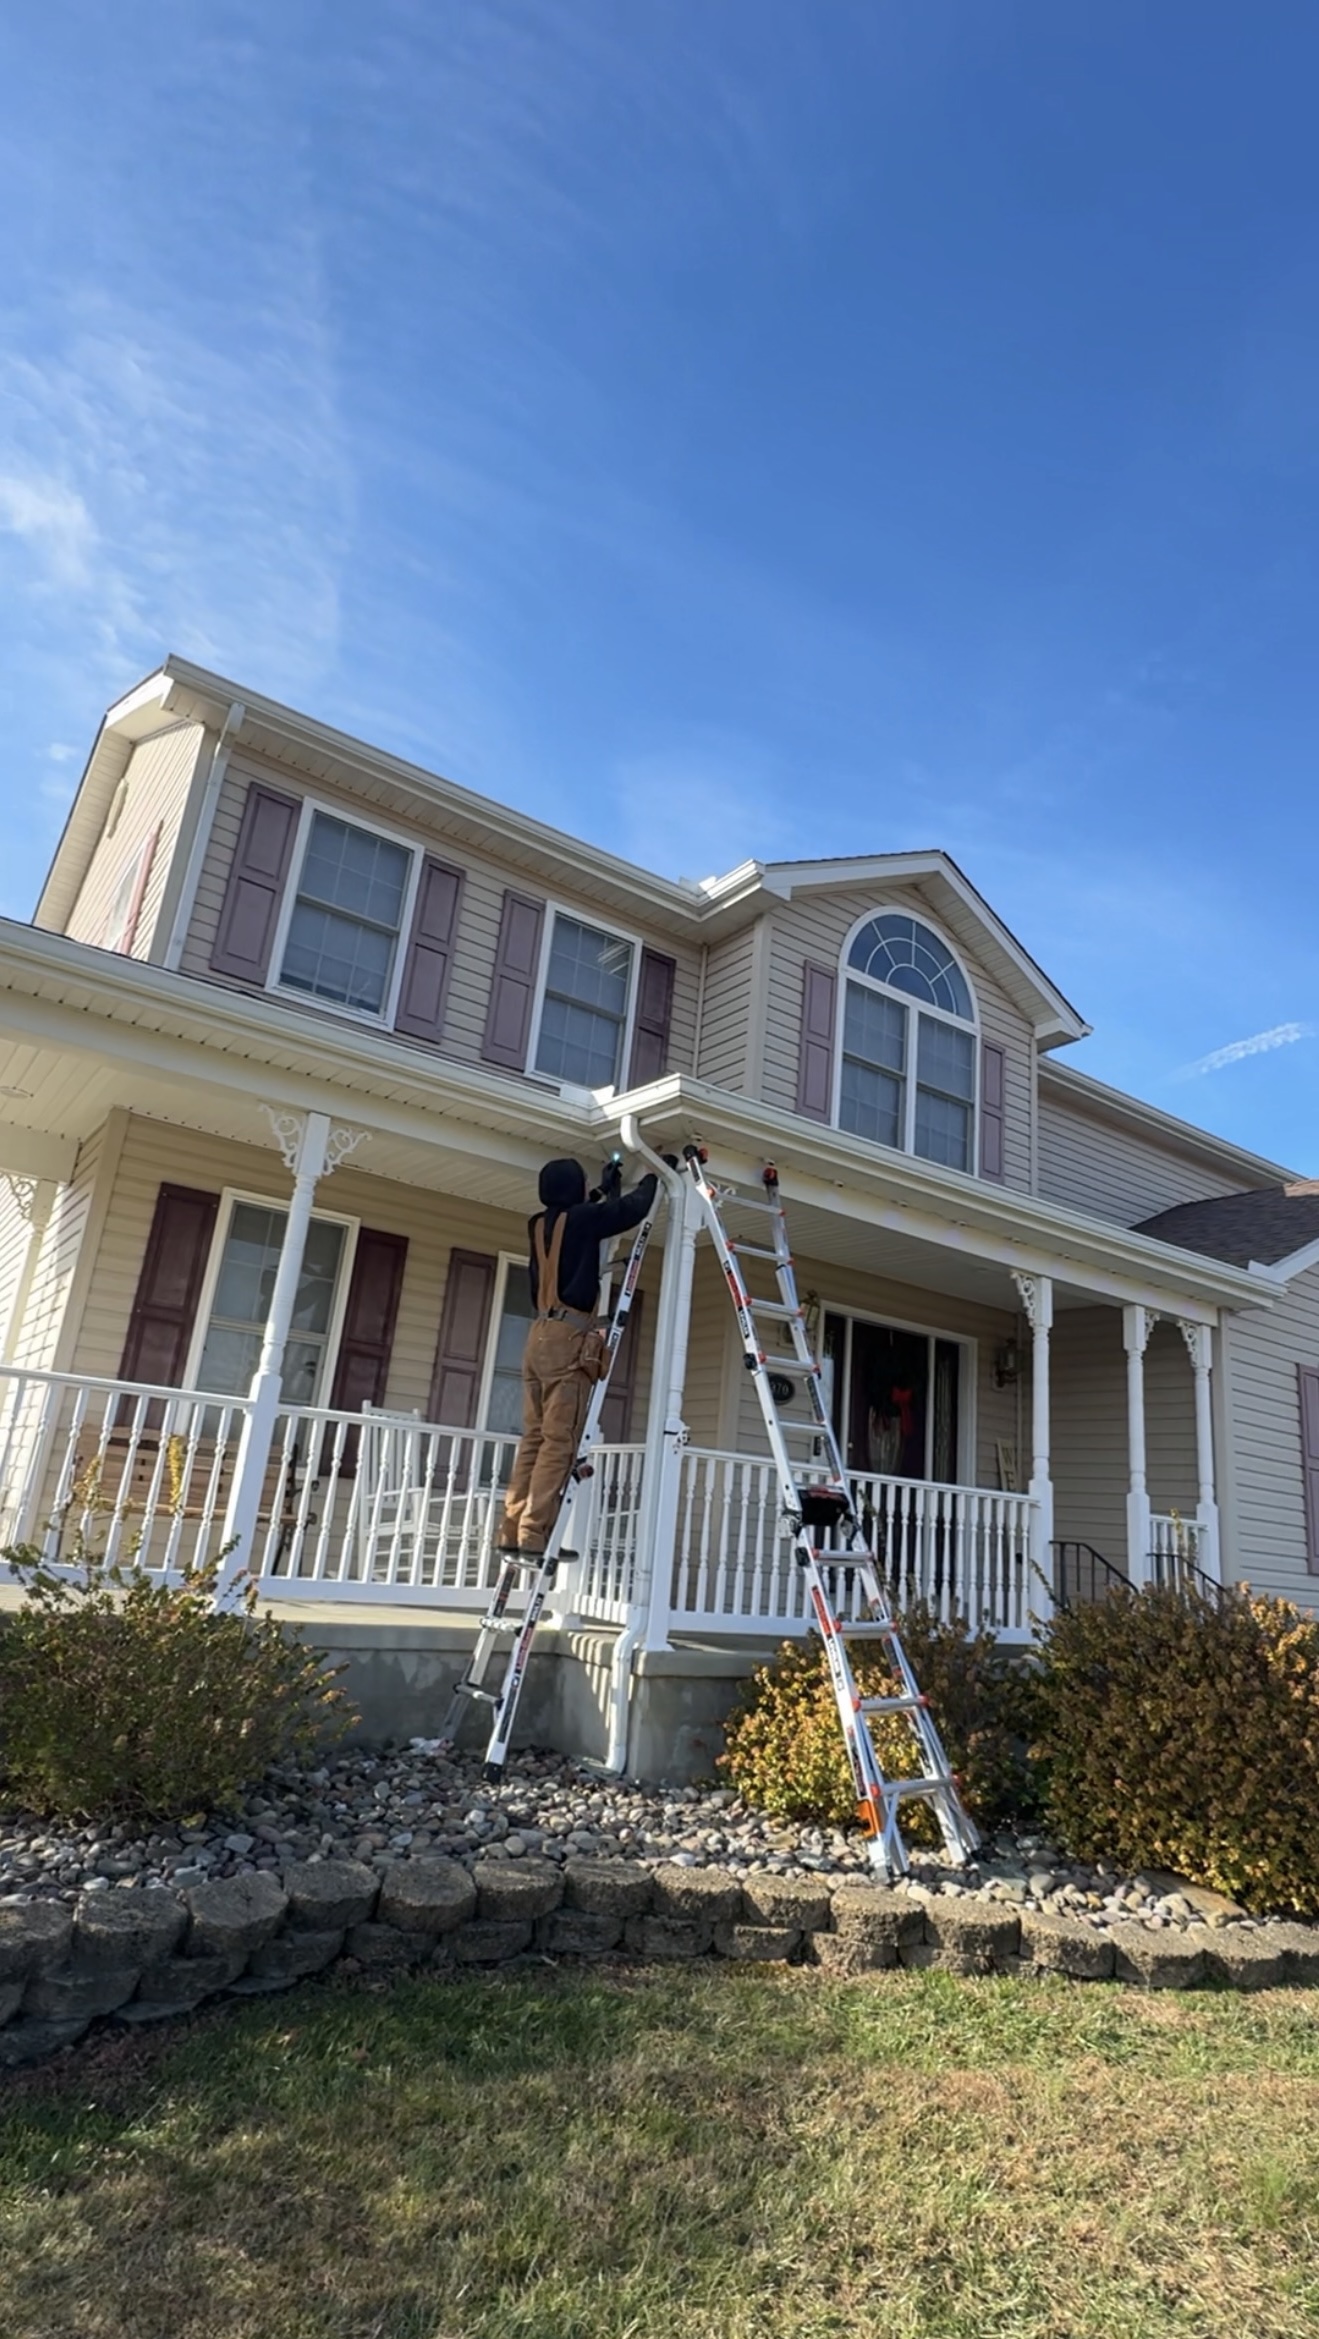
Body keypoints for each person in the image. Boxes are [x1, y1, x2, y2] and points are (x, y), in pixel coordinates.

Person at [498, 1152, 661, 1560]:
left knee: (534, 1438)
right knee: (559, 1442)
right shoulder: (583, 1219)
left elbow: (581, 1215)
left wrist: (605, 1188)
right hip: (568, 1337)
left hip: (537, 1335)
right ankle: (535, 1536)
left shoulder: (539, 1224)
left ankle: (511, 1531)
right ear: (573, 1188)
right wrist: (657, 1172)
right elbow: (634, 1209)